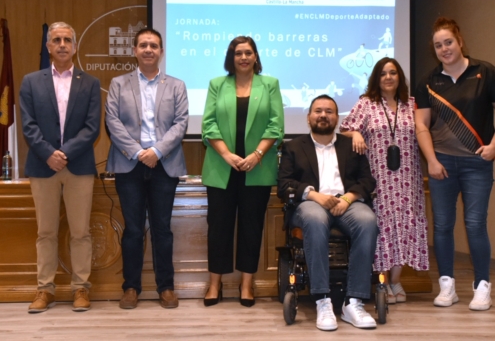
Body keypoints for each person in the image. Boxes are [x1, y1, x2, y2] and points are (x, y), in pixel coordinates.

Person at [19, 22, 101, 313]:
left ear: (75, 46)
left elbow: (92, 129)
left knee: (80, 232)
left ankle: (81, 289)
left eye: (67, 39)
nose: (63, 44)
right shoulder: (30, 81)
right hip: (42, 167)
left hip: (78, 166)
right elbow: (28, 127)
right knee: (46, 232)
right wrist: (48, 154)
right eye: (57, 40)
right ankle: (45, 290)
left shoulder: (89, 83)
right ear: (48, 46)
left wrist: (62, 154)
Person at [278, 94, 378, 331]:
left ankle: (353, 302)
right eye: (318, 111)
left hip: (347, 204)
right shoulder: (293, 147)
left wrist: (348, 198)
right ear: (309, 117)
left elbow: (367, 181)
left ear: (337, 117)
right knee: (314, 217)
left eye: (329, 111)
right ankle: (323, 300)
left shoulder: (352, 146)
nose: (323, 115)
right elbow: (284, 185)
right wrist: (315, 195)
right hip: (311, 204)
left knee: (367, 221)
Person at [415, 17, 495, 311]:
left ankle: (481, 286)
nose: (444, 48)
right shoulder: (428, 81)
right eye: (438, 45)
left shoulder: (485, 72)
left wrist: (494, 147)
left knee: (475, 225)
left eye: (448, 42)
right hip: (442, 165)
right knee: (443, 225)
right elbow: (421, 125)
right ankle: (446, 285)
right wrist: (432, 160)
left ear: (459, 41)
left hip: (478, 164)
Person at [105, 27, 188, 310]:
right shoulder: (119, 83)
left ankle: (166, 287)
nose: (149, 49)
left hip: (165, 165)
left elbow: (181, 123)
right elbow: (112, 121)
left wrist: (156, 151)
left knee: (163, 229)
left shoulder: (176, 85)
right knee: (132, 230)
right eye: (143, 45)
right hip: (129, 165)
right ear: (135, 51)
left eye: (154, 45)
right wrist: (139, 152)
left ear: (161, 51)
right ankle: (131, 287)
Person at [202, 36, 284, 307]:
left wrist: (256, 155)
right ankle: (215, 284)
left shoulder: (269, 84)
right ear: (231, 57)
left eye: (249, 52)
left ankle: (246, 284)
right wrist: (226, 155)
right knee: (218, 228)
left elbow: (276, 125)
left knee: (251, 227)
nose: (244, 57)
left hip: (256, 168)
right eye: (238, 53)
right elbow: (208, 125)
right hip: (221, 167)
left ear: (256, 57)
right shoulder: (217, 84)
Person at [340, 57, 429, 304]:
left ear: (399, 76)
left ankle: (396, 280)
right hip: (379, 179)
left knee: (405, 227)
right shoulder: (366, 103)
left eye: (393, 73)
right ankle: (382, 282)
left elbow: (423, 132)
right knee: (382, 228)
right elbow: (344, 128)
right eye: (383, 74)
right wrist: (356, 132)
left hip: (408, 179)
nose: (388, 77)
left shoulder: (412, 104)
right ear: (376, 79)